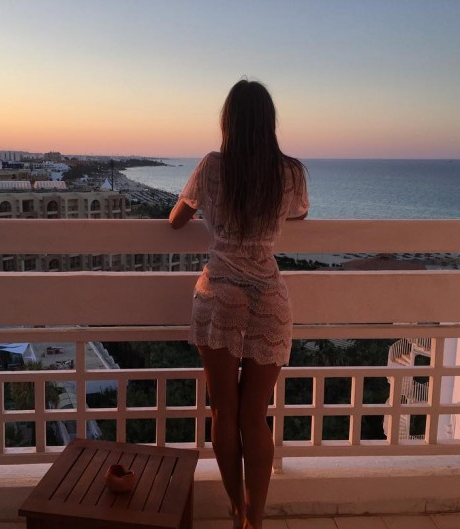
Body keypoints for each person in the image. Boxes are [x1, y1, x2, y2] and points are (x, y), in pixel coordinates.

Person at [168, 79, 309, 529]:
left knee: (224, 412)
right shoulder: (290, 172)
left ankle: (236, 508)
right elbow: (301, 212)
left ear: (228, 121)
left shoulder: (212, 167)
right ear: (269, 123)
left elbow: (176, 220)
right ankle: (257, 518)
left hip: (220, 296)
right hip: (269, 297)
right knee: (254, 416)